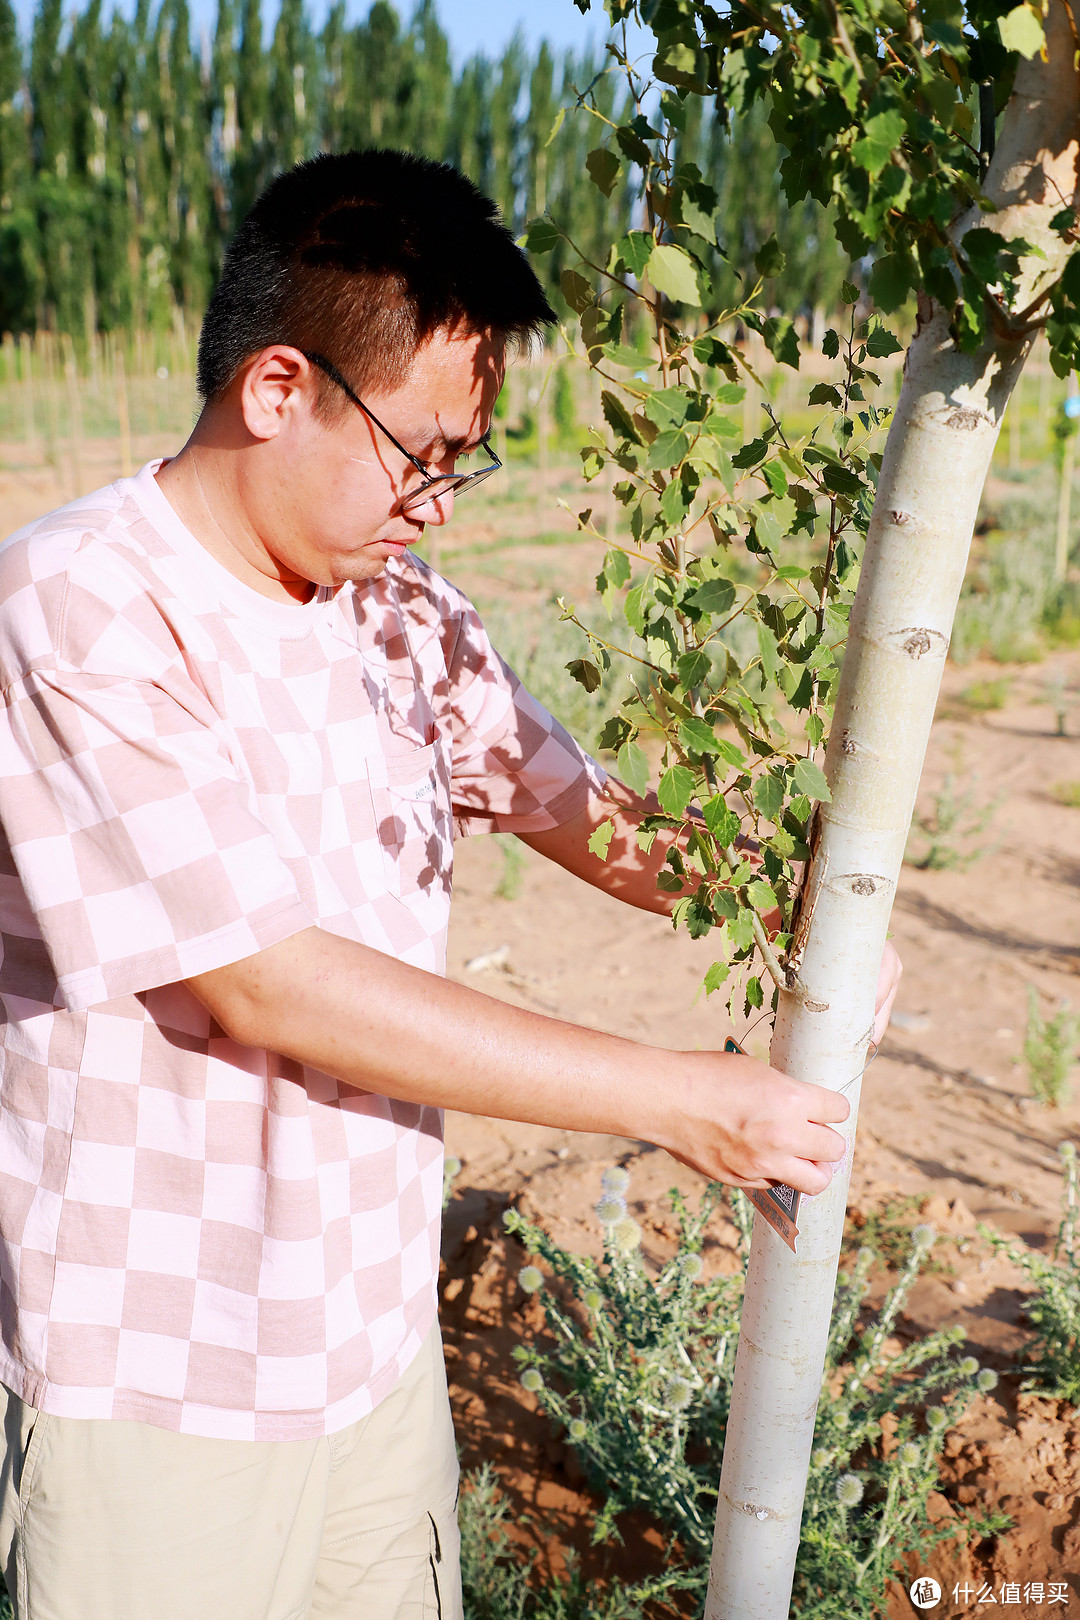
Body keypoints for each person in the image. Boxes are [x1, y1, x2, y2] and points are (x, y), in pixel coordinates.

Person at [0, 149, 899, 1620]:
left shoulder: (400, 612)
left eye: (465, 462)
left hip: (369, 1339)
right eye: (422, 453)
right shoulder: (79, 605)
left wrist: (809, 896)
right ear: (279, 387)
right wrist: (678, 1099)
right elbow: (259, 977)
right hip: (159, 1374)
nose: (443, 506)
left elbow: (592, 819)